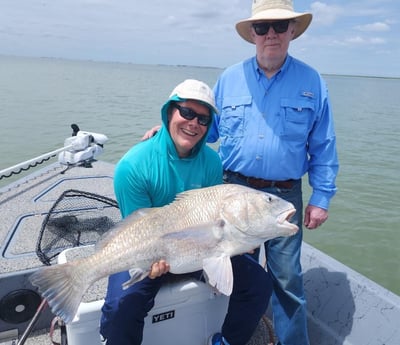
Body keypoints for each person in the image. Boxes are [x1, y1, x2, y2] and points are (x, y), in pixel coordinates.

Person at [100, 79, 272, 345]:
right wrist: (150, 262)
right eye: (187, 113)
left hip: (200, 250)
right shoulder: (133, 166)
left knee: (259, 285)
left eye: (203, 119)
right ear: (170, 112)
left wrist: (239, 240)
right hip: (149, 250)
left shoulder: (213, 162)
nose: (194, 124)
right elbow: (136, 229)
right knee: (121, 307)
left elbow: (216, 220)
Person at [207, 1, 339, 344]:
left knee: (287, 281)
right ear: (252, 33)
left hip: (283, 195)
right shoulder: (228, 78)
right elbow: (204, 130)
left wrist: (321, 197)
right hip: (233, 191)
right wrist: (164, 132)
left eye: (280, 26)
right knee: (237, 274)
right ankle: (233, 338)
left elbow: (323, 146)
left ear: (293, 30)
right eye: (263, 27)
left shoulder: (312, 81)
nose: (271, 34)